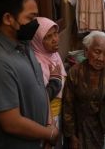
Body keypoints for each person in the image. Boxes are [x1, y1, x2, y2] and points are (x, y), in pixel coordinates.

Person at [0, 0, 59, 149]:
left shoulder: (25, 45)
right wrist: (49, 134)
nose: (35, 23)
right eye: (30, 17)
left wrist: (49, 126)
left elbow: (40, 88)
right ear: (8, 18)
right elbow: (11, 123)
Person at [31, 17, 67, 148]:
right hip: (48, 117)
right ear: (37, 41)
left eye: (56, 33)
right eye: (48, 37)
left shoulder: (53, 55)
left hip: (59, 111)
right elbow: (41, 97)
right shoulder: (37, 63)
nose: (55, 39)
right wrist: (56, 80)